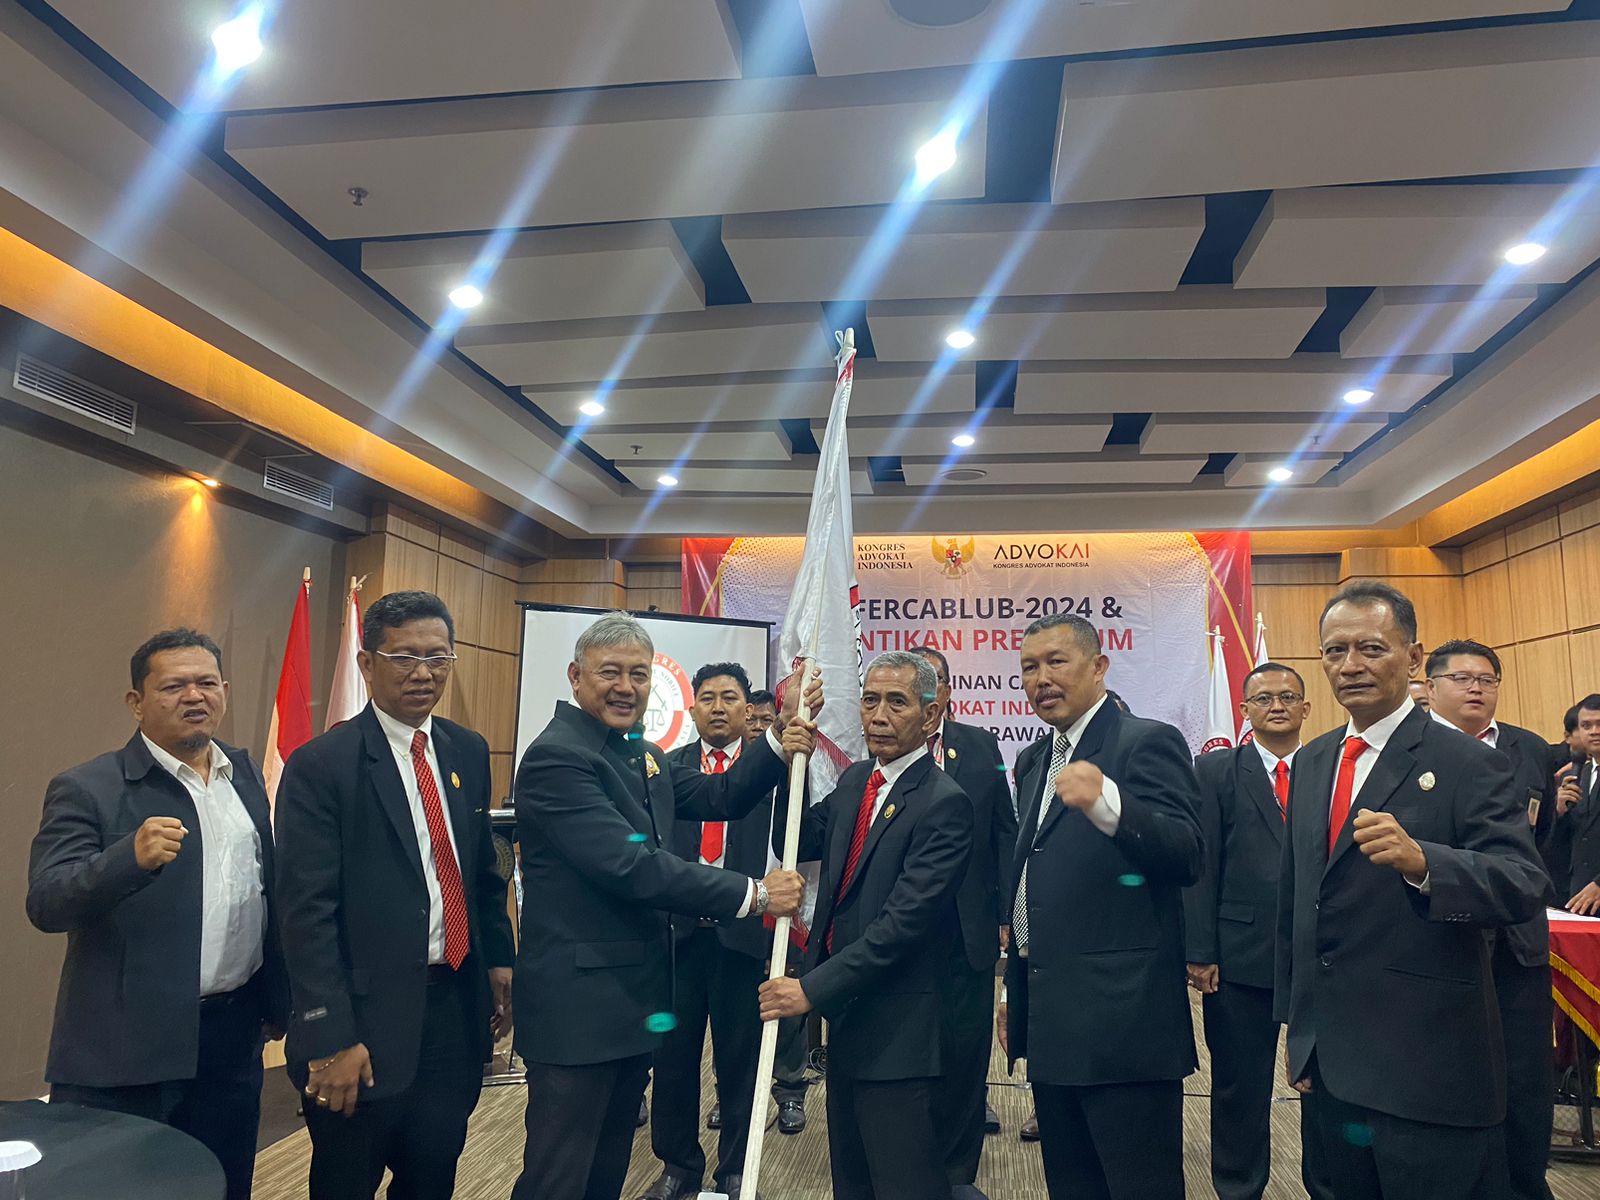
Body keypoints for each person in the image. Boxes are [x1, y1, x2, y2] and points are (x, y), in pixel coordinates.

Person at [511, 611, 815, 1200]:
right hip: (579, 1012)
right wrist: (755, 894)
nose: (626, 687)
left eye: (639, 674)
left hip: (631, 1002)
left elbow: (722, 795)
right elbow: (633, 866)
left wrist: (778, 734)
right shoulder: (559, 757)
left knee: (603, 1171)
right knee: (559, 1174)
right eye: (610, 673)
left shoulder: (638, 754)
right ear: (575, 676)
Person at [1276, 581, 1546, 1199]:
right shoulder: (1314, 761)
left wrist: (1428, 864)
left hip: (1426, 1064)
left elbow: (1523, 883)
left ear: (1414, 656)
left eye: (1371, 648)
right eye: (1335, 651)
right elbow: (1298, 904)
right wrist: (1301, 1034)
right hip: (1332, 1064)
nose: (1351, 665)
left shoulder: (1467, 761)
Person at [27, 628, 288, 1200]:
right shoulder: (88, 787)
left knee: (222, 1186)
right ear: (136, 702)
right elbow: (46, 902)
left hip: (231, 1037)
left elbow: (261, 891)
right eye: (173, 686)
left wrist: (276, 1000)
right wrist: (127, 859)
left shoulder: (243, 774)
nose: (194, 696)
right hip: (125, 1048)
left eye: (207, 683)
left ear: (224, 692)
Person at [274, 591, 517, 1200]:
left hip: (452, 1013)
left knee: (432, 1177)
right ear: (366, 663)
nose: (423, 673)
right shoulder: (321, 765)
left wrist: (500, 960)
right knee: (346, 1182)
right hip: (362, 1022)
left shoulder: (466, 750)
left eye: (438, 657)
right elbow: (305, 914)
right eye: (404, 657)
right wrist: (331, 1038)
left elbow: (480, 872)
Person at [999, 613, 1202, 1200]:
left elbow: (1187, 854)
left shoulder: (1146, 741)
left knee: (1139, 1186)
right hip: (1052, 1020)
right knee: (1073, 1185)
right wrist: (1014, 990)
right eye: (1029, 668)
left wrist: (1108, 802)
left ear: (1099, 666)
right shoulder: (1034, 759)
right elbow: (1036, 876)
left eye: (1056, 662)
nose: (1041, 679)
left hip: (1124, 1027)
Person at [759, 650, 974, 1200]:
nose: (878, 715)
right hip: (848, 1021)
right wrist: (788, 764)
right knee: (852, 1180)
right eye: (870, 700)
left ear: (930, 715)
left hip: (903, 1031)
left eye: (897, 702)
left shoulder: (944, 803)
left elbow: (899, 928)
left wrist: (810, 988)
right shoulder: (857, 780)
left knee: (904, 1182)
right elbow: (795, 838)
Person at [1184, 662, 1330, 1200]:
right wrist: (1200, 950)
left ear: (1306, 708)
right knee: (1239, 1086)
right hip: (1240, 954)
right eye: (1264, 698)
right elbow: (1202, 866)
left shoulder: (1330, 765)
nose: (1277, 706)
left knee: (1326, 1085)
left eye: (1288, 697)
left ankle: (1327, 1186)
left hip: (1322, 955)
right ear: (1244, 710)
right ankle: (1238, 1187)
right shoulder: (1216, 770)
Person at [1425, 638, 1556, 1200]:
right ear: (1430, 687)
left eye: (1487, 679)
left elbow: (1540, 841)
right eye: (1462, 678)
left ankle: (1524, 1185)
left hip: (1518, 943)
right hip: (1440, 938)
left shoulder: (1531, 749)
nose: (1476, 688)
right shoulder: (1412, 751)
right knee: (1448, 1080)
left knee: (1525, 1081)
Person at [641, 662, 773, 1200]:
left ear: (748, 709)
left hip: (743, 936)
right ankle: (678, 1166)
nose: (718, 707)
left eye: (730, 697)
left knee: (740, 1061)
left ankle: (735, 1169)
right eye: (708, 698)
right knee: (672, 1059)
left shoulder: (771, 771)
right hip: (677, 938)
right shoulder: (665, 770)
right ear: (691, 708)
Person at [910, 644, 1017, 1199]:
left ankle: (957, 1174)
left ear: (947, 692)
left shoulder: (980, 745)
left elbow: (1004, 831)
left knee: (965, 1050)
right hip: (901, 929)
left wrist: (1006, 914)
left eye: (933, 680)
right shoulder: (878, 746)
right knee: (909, 1050)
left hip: (968, 927)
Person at [744, 687, 811, 1136]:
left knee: (785, 1000)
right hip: (740, 906)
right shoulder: (736, 776)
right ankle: (735, 1091)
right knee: (738, 1006)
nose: (757, 727)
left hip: (785, 906)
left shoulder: (797, 771)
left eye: (767, 720)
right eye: (751, 719)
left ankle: (789, 1091)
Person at [1554, 694, 1600, 911]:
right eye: (1586, 725)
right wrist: (1559, 812)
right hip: (1579, 895)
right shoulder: (1576, 774)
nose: (1594, 731)